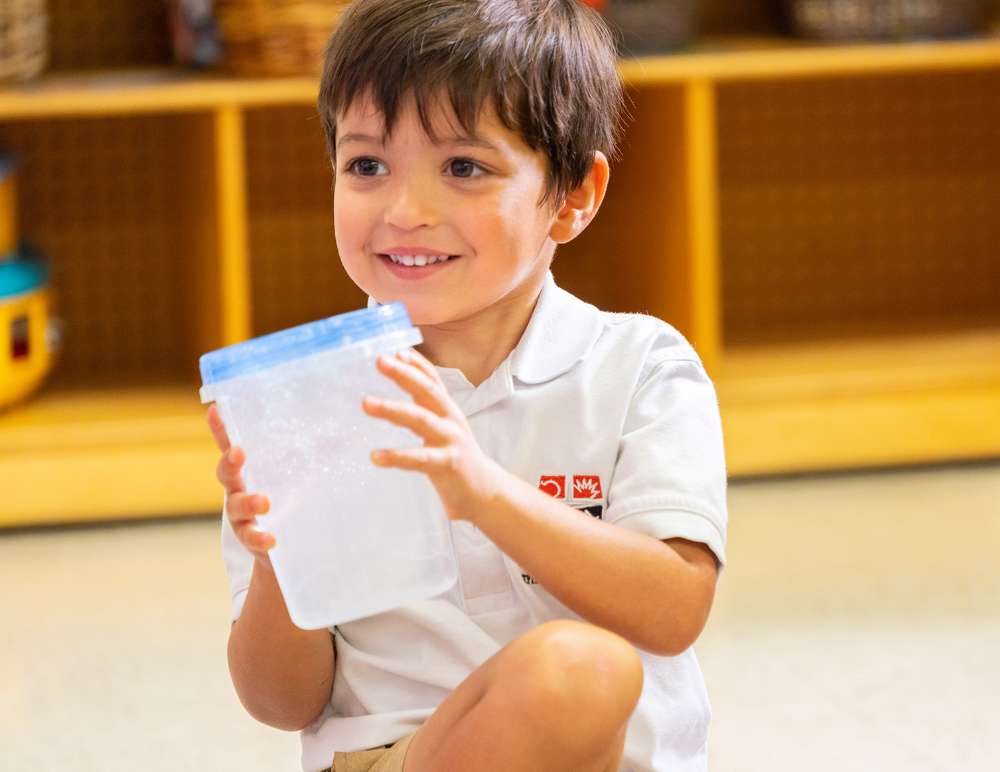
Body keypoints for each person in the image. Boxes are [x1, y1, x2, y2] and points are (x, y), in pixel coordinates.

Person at [206, 1, 728, 770]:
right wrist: (286, 557)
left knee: (580, 672)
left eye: (464, 168)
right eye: (367, 166)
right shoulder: (307, 398)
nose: (406, 212)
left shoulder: (641, 367)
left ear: (575, 196)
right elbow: (282, 702)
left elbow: (675, 610)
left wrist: (479, 490)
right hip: (393, 755)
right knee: (575, 672)